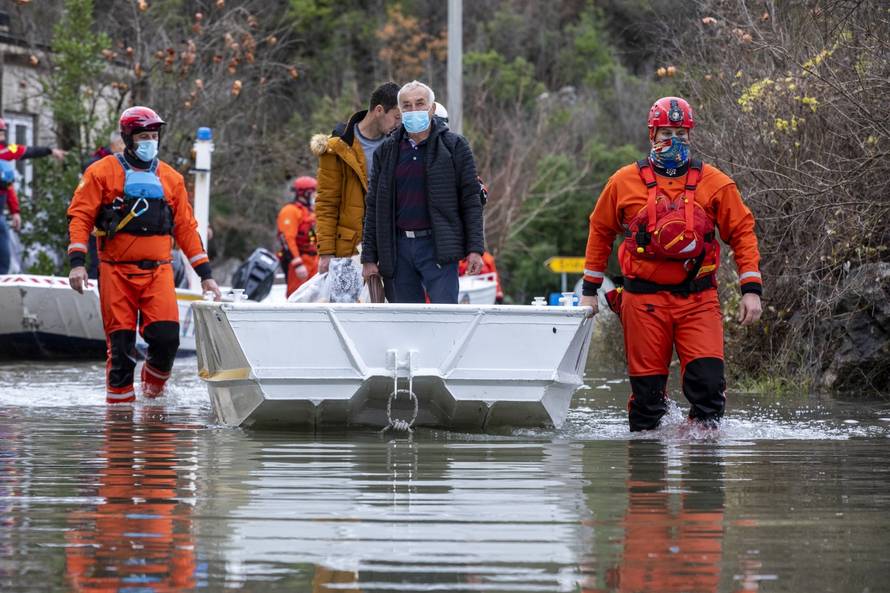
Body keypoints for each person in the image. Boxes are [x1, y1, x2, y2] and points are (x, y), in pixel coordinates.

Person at [581, 96, 763, 431]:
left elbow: (742, 232)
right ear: (652, 133)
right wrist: (589, 290)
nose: (674, 139)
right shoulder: (623, 182)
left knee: (709, 390)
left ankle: (702, 471)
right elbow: (600, 230)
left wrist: (751, 289)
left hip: (698, 299)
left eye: (682, 131)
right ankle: (648, 469)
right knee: (647, 401)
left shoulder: (716, 183)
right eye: (667, 131)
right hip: (643, 301)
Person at [67, 106, 221, 404]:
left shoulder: (171, 179)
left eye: (154, 135)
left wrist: (206, 276)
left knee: (167, 340)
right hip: (115, 272)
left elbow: (187, 230)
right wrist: (77, 264)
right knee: (121, 350)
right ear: (128, 138)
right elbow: (80, 216)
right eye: (143, 136)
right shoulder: (101, 173)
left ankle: (153, 396)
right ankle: (120, 423)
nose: (150, 141)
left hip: (158, 272)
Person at [361, 80, 485, 303]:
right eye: (407, 106)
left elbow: (471, 200)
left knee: (445, 319)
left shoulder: (455, 146)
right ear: (400, 111)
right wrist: (369, 258)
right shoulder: (385, 152)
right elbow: (373, 208)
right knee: (405, 324)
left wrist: (475, 248)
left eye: (420, 103)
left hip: (438, 247)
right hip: (397, 251)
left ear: (432, 108)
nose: (414, 110)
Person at [312, 82, 401, 281]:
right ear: (379, 110)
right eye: (396, 117)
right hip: (348, 249)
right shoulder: (337, 149)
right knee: (348, 310)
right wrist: (325, 252)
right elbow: (327, 203)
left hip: (390, 248)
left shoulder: (398, 145)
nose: (399, 123)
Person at [0, 117, 67, 275]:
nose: (2, 137)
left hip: (1, 214)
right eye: (0, 133)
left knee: (4, 259)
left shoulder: (6, 151)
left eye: (3, 133)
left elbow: (27, 151)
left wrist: (15, 211)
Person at [82, 132, 127, 279]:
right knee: (98, 261)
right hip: (99, 220)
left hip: (116, 220)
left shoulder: (124, 165)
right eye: (124, 144)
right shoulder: (97, 165)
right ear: (117, 145)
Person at [277, 176, 319, 297]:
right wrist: (297, 263)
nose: (315, 196)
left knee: (315, 297)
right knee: (297, 296)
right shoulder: (290, 210)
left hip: (314, 259)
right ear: (305, 193)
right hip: (300, 260)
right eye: (313, 193)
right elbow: (287, 239)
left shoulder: (310, 211)